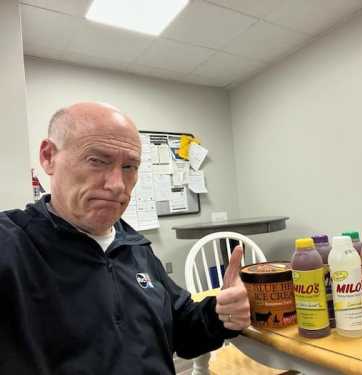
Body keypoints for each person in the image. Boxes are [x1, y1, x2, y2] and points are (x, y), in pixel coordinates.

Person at [0, 102, 250, 374]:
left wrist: (222, 313)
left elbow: (184, 331)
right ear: (49, 157)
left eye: (129, 166)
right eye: (96, 160)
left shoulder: (134, 245)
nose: (117, 185)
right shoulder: (12, 244)